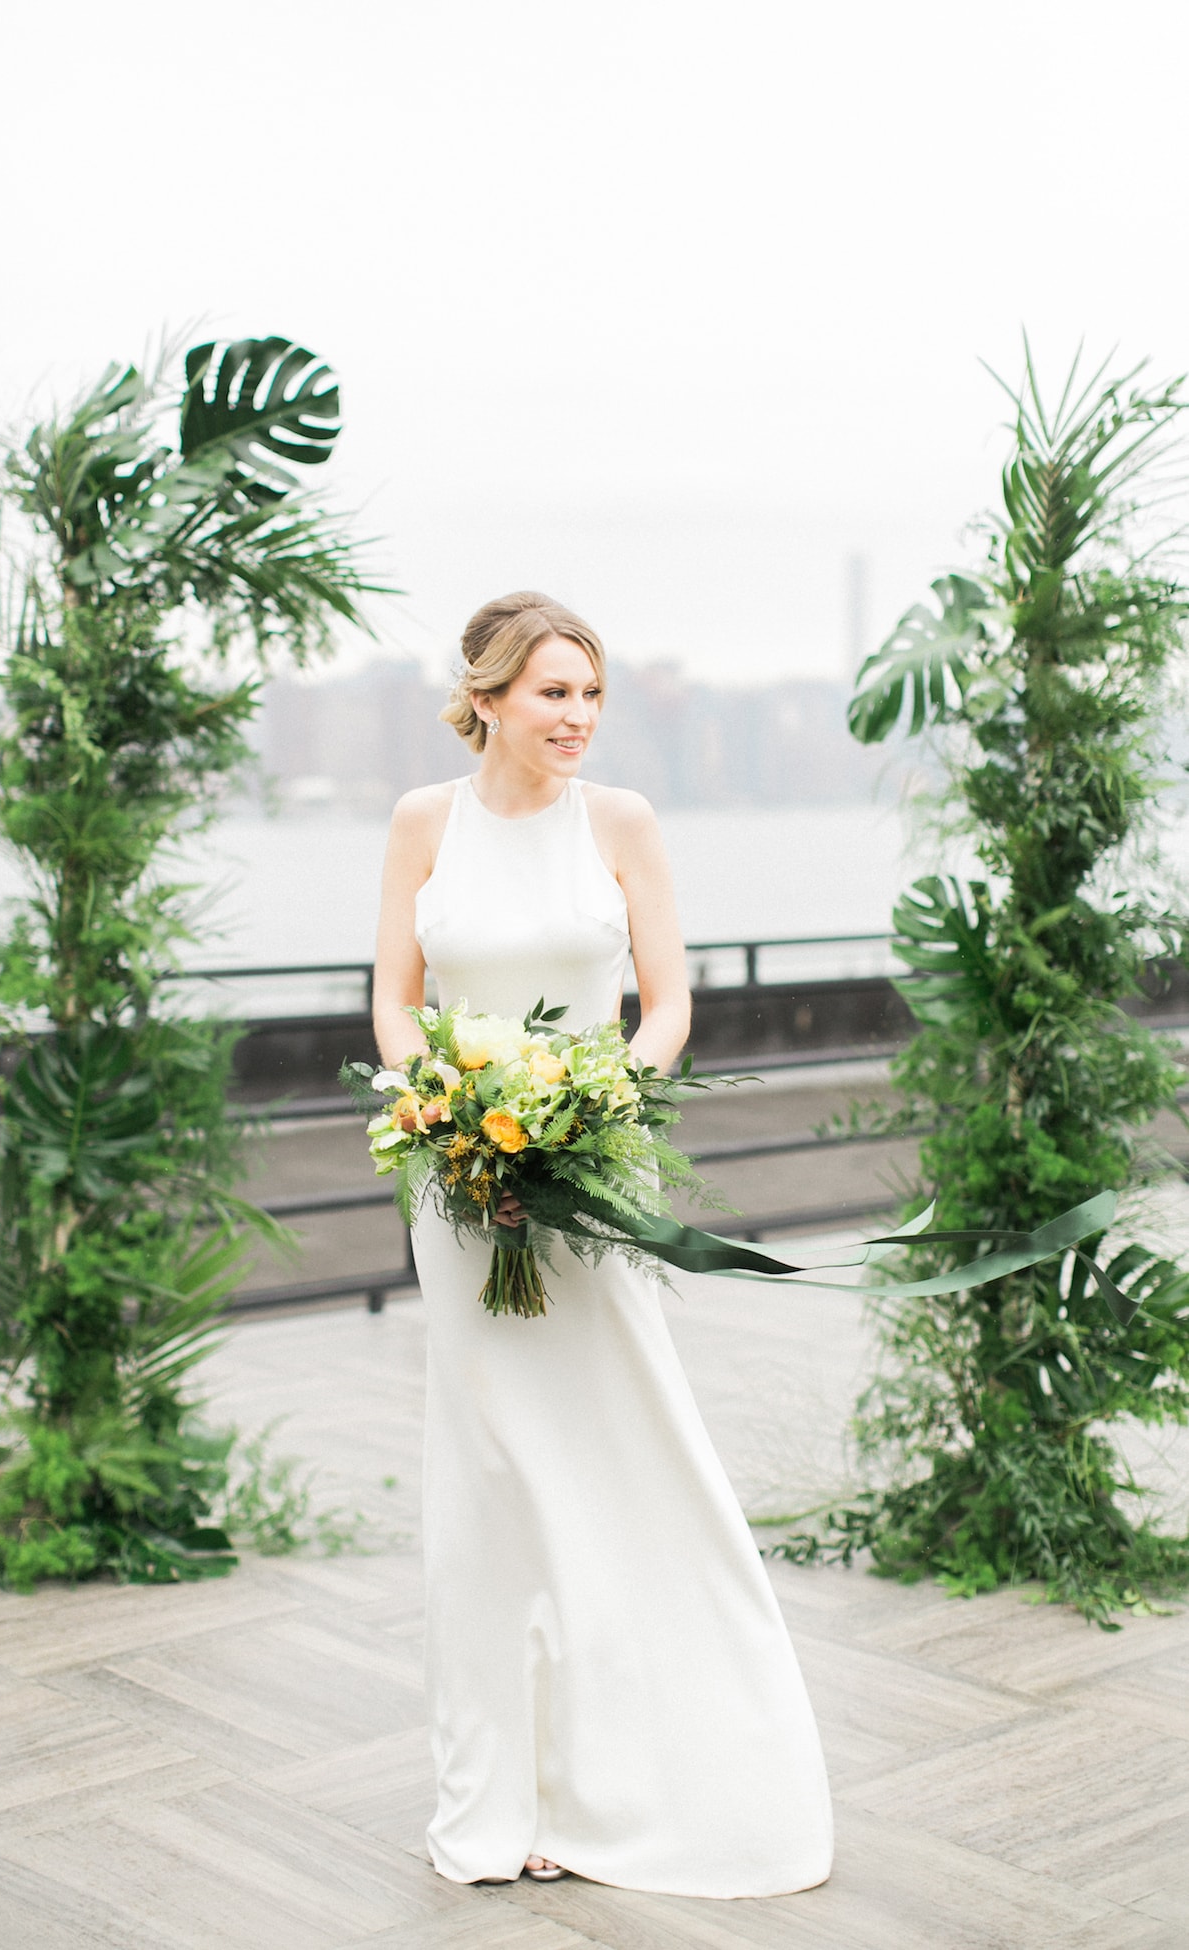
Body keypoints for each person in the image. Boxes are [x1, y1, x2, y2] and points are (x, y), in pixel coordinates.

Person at [372, 591, 833, 1898]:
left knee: (624, 1448)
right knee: (487, 1475)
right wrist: (451, 1107)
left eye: (590, 695)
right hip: (459, 1186)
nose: (575, 717)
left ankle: (638, 1774)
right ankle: (497, 1791)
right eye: (550, 694)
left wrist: (603, 1094)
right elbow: (394, 1002)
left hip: (589, 1169)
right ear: (488, 698)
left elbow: (671, 997)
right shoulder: (422, 822)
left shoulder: (621, 822)